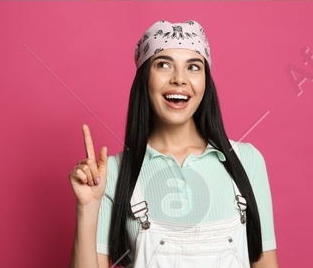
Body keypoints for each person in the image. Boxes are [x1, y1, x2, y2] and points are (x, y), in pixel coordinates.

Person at [68, 20, 278, 267]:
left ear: (205, 82)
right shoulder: (113, 173)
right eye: (164, 65)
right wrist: (88, 206)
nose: (180, 79)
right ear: (145, 79)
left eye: (193, 67)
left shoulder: (246, 161)